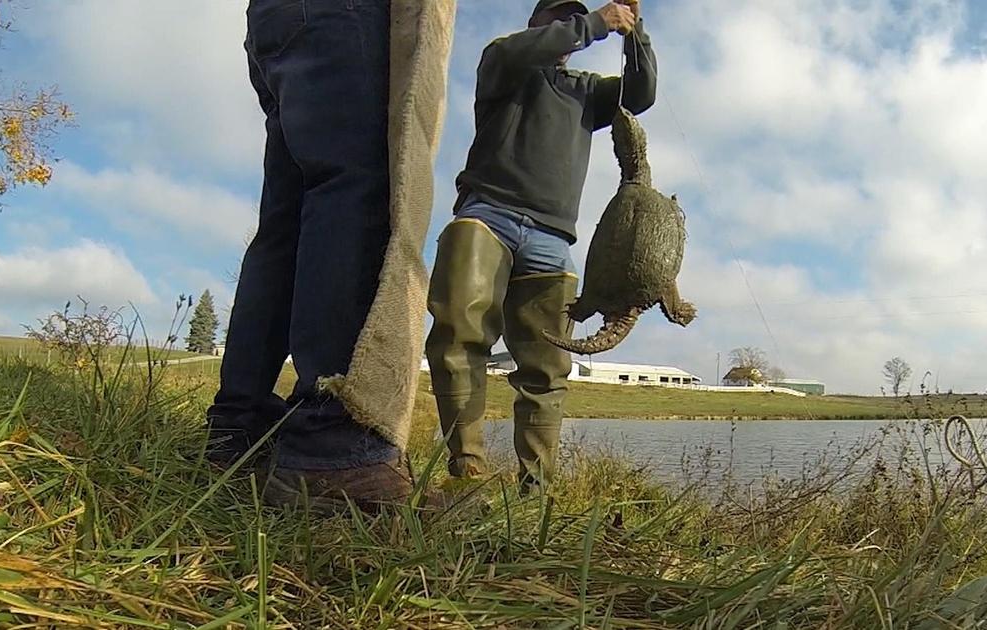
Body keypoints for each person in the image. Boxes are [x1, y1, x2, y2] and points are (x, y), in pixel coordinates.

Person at [205, 0, 457, 514]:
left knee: (291, 214)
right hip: (347, 12)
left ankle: (240, 433)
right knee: (360, 182)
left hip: (283, 16)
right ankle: (334, 451)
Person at [425, 0, 657, 492]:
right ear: (536, 24)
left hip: (553, 239)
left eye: (571, 16)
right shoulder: (504, 61)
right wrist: (595, 23)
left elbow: (640, 95)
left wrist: (635, 33)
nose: (564, 25)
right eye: (557, 17)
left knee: (547, 367)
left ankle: (536, 489)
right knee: (459, 337)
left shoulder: (587, 92)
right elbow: (539, 45)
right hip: (486, 216)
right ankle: (466, 471)